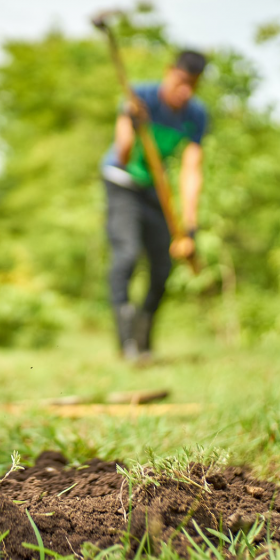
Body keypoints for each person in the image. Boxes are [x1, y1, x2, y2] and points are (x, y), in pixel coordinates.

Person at [100, 50, 207, 361]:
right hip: (121, 181)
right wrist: (132, 124)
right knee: (127, 254)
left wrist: (189, 224)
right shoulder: (140, 97)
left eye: (194, 85)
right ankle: (127, 344)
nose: (186, 91)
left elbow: (191, 169)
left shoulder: (195, 114)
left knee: (162, 268)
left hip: (155, 191)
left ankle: (143, 339)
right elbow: (122, 153)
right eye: (182, 81)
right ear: (169, 71)